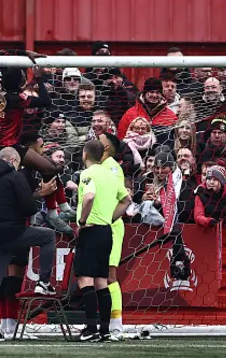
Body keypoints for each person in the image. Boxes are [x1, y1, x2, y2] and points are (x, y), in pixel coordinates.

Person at [0, 147, 57, 342]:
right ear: (13, 161)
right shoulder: (15, 176)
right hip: (13, 234)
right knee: (48, 236)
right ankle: (43, 282)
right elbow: (28, 208)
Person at [0, 66, 75, 224]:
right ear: (18, 81)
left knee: (50, 167)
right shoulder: (16, 98)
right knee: (50, 168)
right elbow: (45, 101)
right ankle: (53, 211)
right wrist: (39, 78)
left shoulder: (0, 88)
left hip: (5, 143)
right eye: (23, 74)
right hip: (10, 147)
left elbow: (3, 58)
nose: (26, 77)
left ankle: (59, 209)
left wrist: (25, 54)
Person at [75, 140, 131, 342]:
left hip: (91, 230)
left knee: (85, 280)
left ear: (84, 154)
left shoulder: (87, 174)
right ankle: (105, 330)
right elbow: (127, 200)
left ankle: (90, 329)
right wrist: (111, 217)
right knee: (101, 281)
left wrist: (82, 221)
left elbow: (89, 197)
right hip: (107, 231)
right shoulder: (110, 174)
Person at [98, 131, 127, 339]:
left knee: (109, 276)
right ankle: (102, 323)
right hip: (99, 226)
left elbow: (124, 198)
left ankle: (116, 325)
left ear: (106, 147)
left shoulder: (113, 168)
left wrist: (108, 219)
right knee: (97, 276)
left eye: (99, 140)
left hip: (111, 226)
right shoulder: (98, 167)